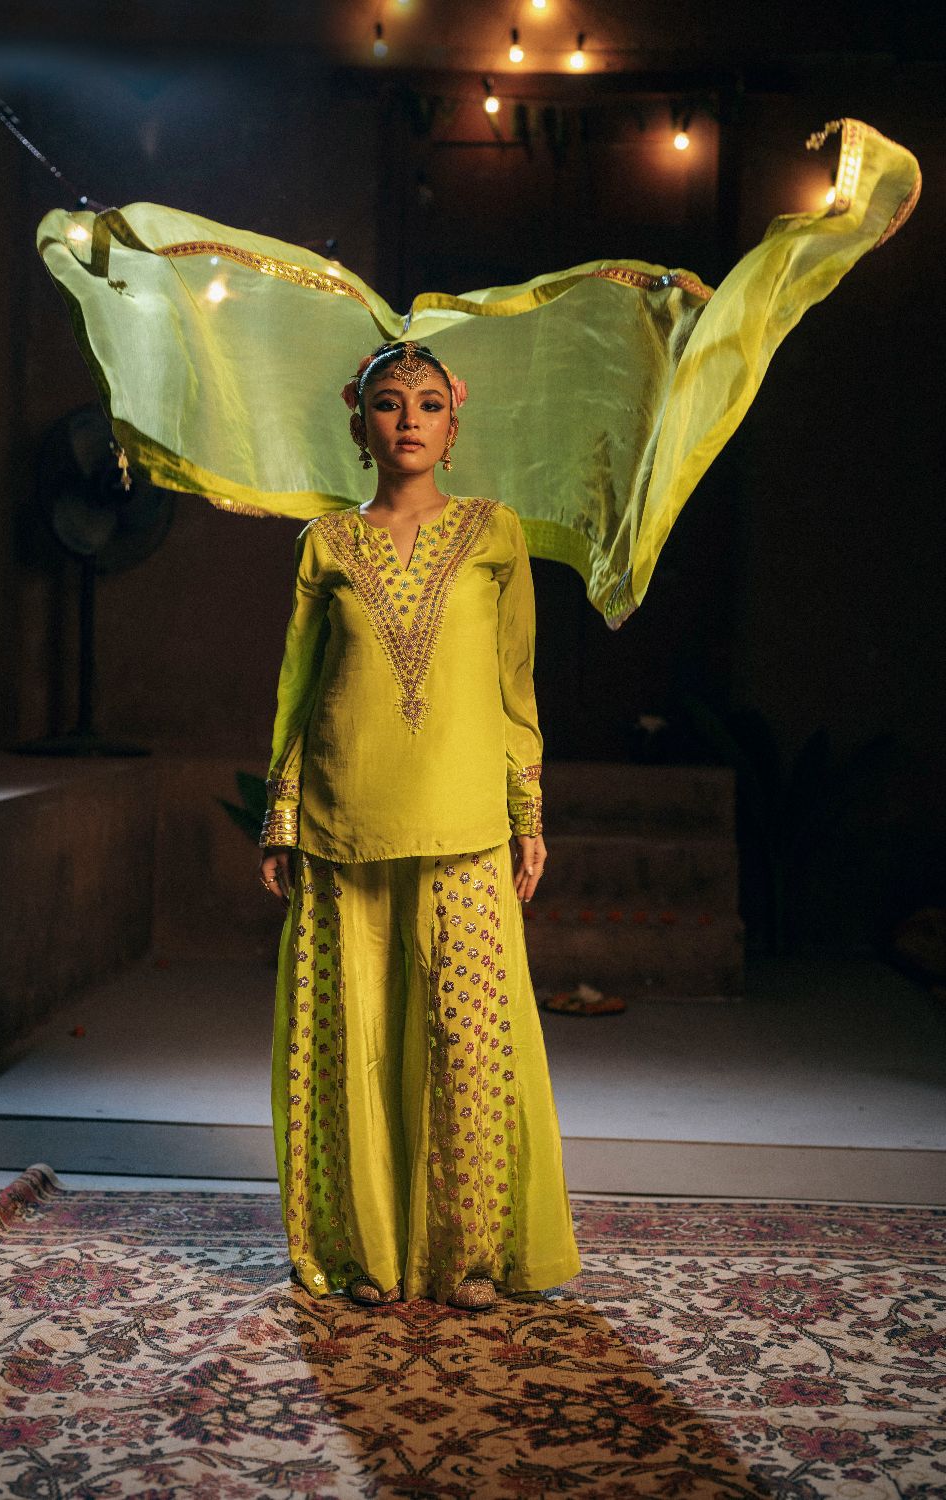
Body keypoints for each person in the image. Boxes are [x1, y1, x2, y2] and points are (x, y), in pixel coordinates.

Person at [257, 339, 581, 1310]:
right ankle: (364, 1253)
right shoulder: (324, 544)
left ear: (454, 419)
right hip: (342, 816)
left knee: (466, 1042)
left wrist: (527, 812)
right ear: (359, 420)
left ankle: (467, 1257)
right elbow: (298, 688)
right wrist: (281, 815)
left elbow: (515, 684)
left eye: (429, 403)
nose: (409, 420)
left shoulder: (494, 533)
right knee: (347, 1043)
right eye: (390, 403)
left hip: (465, 819)